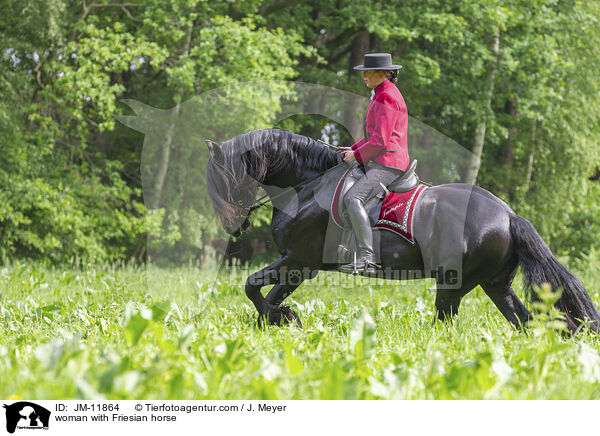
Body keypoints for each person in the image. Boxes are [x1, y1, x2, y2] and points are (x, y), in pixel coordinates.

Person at [339, 53, 409, 274]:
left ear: (382, 74)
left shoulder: (386, 96)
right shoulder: (382, 93)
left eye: (367, 72)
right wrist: (354, 149)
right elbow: (374, 136)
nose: (364, 76)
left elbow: (381, 141)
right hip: (384, 157)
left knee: (353, 198)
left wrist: (357, 156)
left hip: (389, 162)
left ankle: (367, 258)